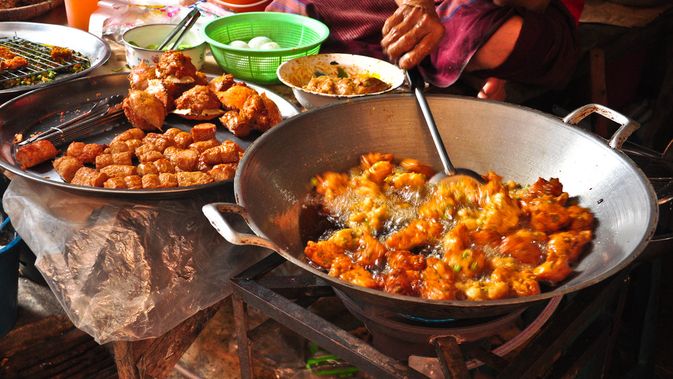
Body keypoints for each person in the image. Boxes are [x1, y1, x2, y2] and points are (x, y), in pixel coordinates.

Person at [266, 0, 583, 101]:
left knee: (486, 32)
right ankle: (459, 68)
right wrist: (415, 5)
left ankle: (466, 63)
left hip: (513, 8)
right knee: (294, 9)